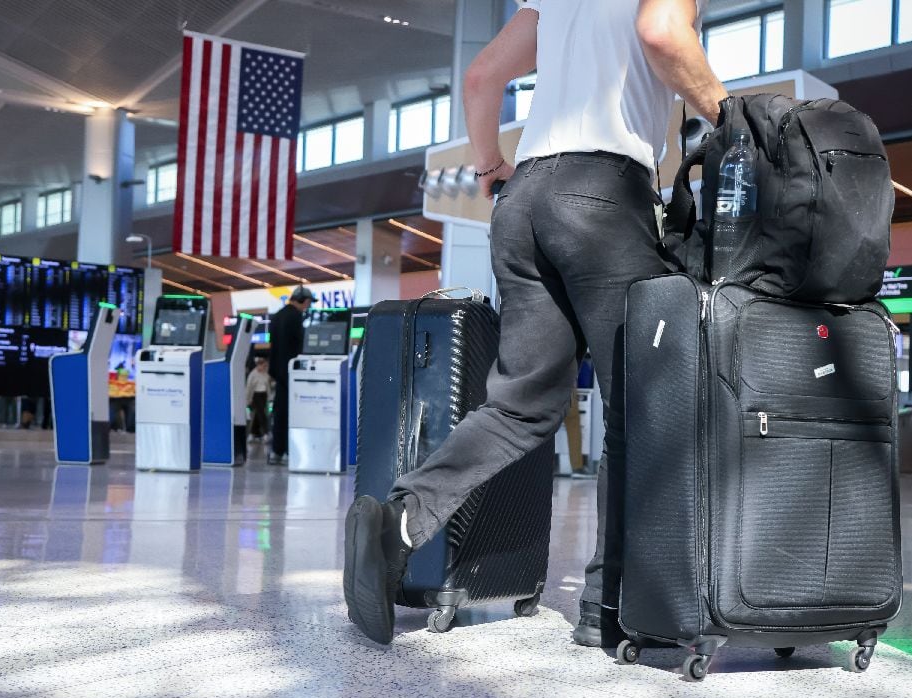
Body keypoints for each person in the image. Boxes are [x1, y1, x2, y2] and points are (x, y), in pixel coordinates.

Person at [343, 0, 727, 646]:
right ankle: (612, 603)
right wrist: (734, 116)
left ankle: (399, 525)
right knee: (638, 404)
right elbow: (661, 32)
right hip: (604, 192)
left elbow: (481, 77)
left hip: (524, 202)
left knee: (519, 406)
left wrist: (492, 161)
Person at [267, 286, 316, 465]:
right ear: (302, 299)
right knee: (292, 413)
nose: (308, 307)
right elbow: (299, 345)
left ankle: (276, 451)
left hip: (278, 374)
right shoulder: (295, 316)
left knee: (279, 413)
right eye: (308, 303)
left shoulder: (278, 315)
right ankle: (289, 451)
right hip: (292, 373)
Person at [247, 356, 274, 442]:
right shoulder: (253, 374)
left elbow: (269, 385)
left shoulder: (265, 374)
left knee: (259, 414)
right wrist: (248, 399)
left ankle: (253, 433)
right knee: (261, 413)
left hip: (264, 395)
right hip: (256, 395)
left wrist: (270, 397)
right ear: (258, 365)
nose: (263, 367)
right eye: (262, 365)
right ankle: (266, 432)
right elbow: (249, 387)